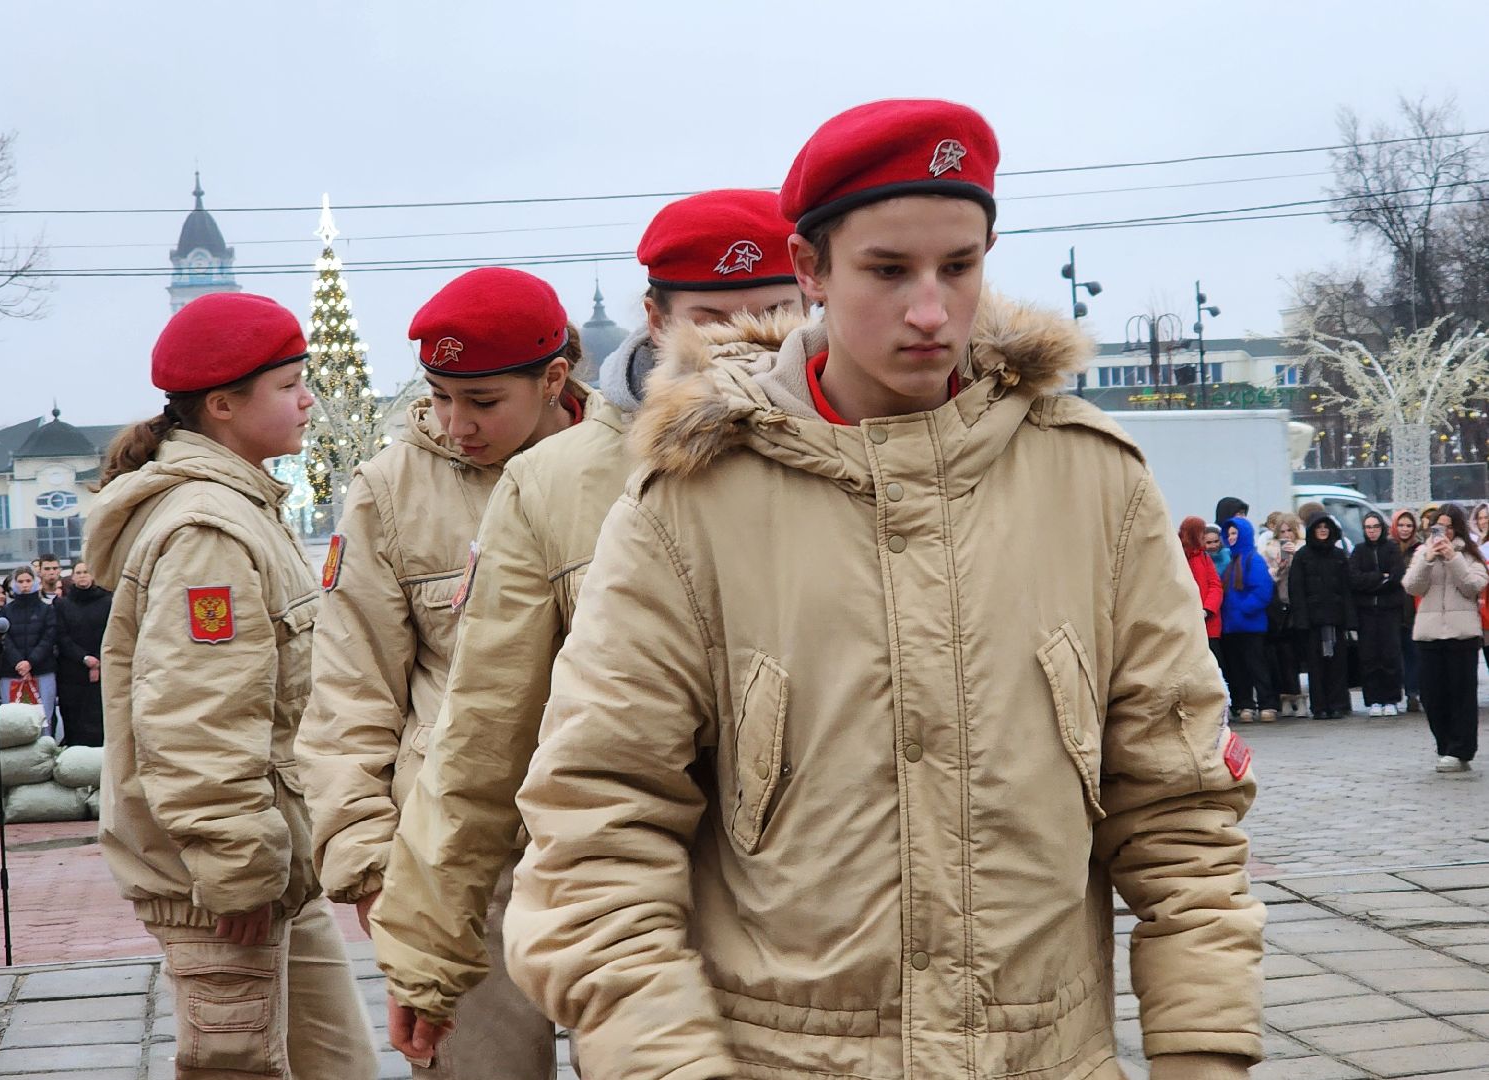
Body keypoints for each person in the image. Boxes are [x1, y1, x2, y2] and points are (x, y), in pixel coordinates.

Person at [499, 99, 1262, 1080]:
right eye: (887, 270)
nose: (930, 311)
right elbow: (594, 836)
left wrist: (1203, 1055)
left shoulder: (1093, 481)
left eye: (959, 265)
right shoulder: (687, 506)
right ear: (809, 270)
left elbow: (1183, 813)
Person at [369, 191, 803, 1064]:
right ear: (655, 317)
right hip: (624, 896)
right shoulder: (551, 484)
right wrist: (425, 948)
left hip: (806, 908)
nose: (747, 345)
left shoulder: (869, 453)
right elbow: (483, 729)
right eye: (712, 320)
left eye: (777, 315)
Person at [296, 266, 586, 1079]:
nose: (454, 423)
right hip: (460, 858)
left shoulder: (628, 466)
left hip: (615, 839)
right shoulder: (391, 491)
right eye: (439, 395)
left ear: (554, 378)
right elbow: (351, 689)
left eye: (483, 401)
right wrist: (366, 861)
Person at [83, 291, 377, 1077]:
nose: (309, 398)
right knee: (238, 1065)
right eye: (288, 385)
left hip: (270, 867)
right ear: (221, 405)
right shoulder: (209, 529)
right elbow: (197, 716)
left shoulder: (244, 505)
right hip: (224, 886)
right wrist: (239, 871)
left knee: (338, 1064)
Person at [1404, 502, 1489, 773]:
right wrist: (1428, 559)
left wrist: (1453, 558)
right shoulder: (1421, 552)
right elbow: (1411, 586)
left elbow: (1473, 586)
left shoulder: (1471, 555)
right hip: (1428, 633)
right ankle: (1444, 745)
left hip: (1461, 633)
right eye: (1439, 526)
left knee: (1461, 694)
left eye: (1450, 527)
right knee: (1432, 694)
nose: (1444, 532)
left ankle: (1461, 749)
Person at [1289, 514, 1356, 719]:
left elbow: (1347, 589)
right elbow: (1296, 589)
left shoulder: (1338, 555)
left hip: (1336, 619)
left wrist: (1350, 619)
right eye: (1319, 527)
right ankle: (1319, 706)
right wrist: (1301, 619)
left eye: (1326, 527)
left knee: (1338, 664)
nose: (1323, 531)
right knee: (1315, 665)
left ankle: (1337, 704)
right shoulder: (1303, 556)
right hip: (1313, 621)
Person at [1221, 516, 1279, 722]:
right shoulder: (1232, 560)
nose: (1231, 537)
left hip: (1250, 624)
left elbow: (1263, 590)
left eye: (1235, 533)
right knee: (1239, 669)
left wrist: (1242, 609)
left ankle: (1267, 704)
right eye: (1229, 534)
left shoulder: (1253, 560)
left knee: (1257, 666)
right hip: (1232, 625)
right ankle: (1245, 704)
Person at [1349, 512, 1406, 716]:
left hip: (1389, 610)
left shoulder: (1391, 548)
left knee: (1390, 655)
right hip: (1366, 612)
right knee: (1369, 656)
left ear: (1382, 528)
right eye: (1368, 527)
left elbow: (1396, 576)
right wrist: (1377, 579)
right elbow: (1354, 579)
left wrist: (1373, 583)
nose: (1372, 531)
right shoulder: (1358, 550)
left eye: (1375, 526)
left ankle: (1391, 699)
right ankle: (1373, 699)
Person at [54, 561, 109, 747]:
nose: (83, 575)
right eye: (78, 572)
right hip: (73, 672)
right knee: (74, 721)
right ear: (73, 577)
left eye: (86, 571)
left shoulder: (108, 601)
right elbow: (62, 637)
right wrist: (85, 659)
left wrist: (98, 662)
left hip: (104, 670)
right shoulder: (63, 605)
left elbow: (112, 634)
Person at [0, 567, 59, 736]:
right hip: (12, 672)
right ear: (14, 584)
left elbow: (48, 638)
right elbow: (3, 639)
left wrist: (30, 662)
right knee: (13, 721)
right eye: (20, 581)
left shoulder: (47, 610)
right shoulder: (5, 611)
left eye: (28, 581)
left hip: (42, 671)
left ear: (35, 582)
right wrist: (19, 662)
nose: (24, 585)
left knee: (44, 719)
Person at [1262, 514, 1307, 718]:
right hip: (1279, 605)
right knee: (1284, 655)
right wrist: (1278, 567)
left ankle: (1301, 697)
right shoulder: (1269, 549)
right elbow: (1268, 576)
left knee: (1300, 654)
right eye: (1283, 531)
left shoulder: (1304, 547)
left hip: (1300, 604)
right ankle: (1287, 697)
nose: (1287, 535)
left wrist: (1296, 555)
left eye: (1290, 530)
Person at [1180, 516, 1224, 664]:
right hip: (1186, 623)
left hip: (1208, 621)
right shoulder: (1178, 557)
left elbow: (1215, 585)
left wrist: (1207, 609)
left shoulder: (1203, 556)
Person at [1391, 509, 1423, 712]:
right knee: (1394, 655)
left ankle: (1413, 693)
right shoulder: (1388, 548)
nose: (1405, 529)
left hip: (1414, 608)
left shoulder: (1420, 549)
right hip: (1392, 609)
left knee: (1413, 654)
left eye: (1409, 525)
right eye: (1401, 525)